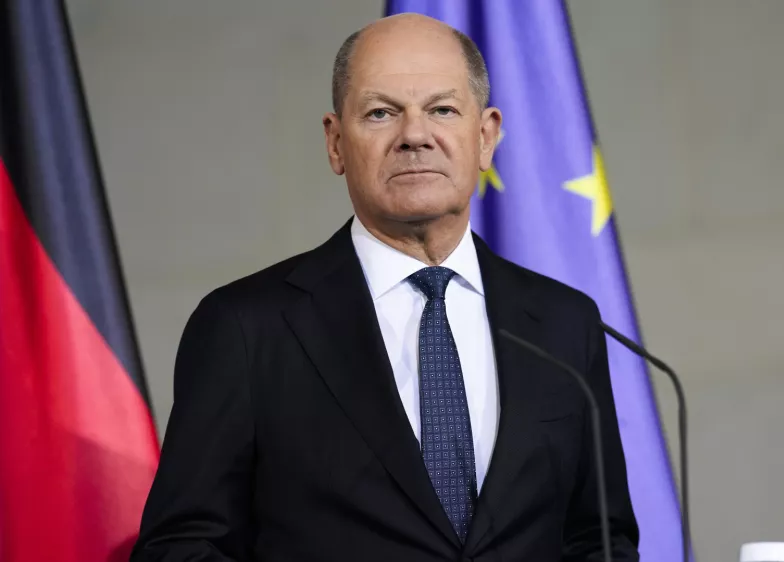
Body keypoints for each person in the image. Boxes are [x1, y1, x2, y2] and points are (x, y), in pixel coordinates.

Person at [131, 12, 639, 562]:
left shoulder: (564, 323)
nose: (415, 135)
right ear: (335, 143)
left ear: (486, 136)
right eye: (381, 113)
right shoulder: (246, 328)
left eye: (442, 110)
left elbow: (598, 540)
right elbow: (181, 547)